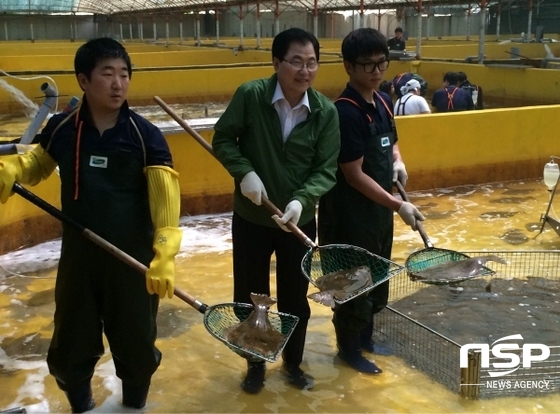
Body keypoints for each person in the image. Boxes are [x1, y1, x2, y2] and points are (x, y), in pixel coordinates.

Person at [0, 37, 182, 412]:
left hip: (132, 263)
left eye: (124, 74)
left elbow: (165, 201)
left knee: (136, 344)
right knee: (71, 345)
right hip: (79, 260)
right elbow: (38, 164)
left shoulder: (144, 136)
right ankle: (81, 406)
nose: (118, 83)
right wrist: (13, 167)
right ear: (84, 80)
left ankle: (134, 406)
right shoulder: (63, 127)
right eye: (107, 74)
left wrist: (165, 252)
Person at [211, 28, 340, 394]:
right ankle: (255, 363)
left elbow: (325, 169)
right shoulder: (251, 95)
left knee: (295, 297)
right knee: (250, 296)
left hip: (298, 223)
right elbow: (223, 139)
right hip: (253, 218)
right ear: (276, 63)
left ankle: (293, 364)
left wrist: (303, 199)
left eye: (312, 62)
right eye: (296, 61)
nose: (305, 70)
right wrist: (244, 172)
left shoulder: (325, 112)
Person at [317, 28, 424, 375]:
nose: (377, 72)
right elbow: (353, 174)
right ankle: (348, 350)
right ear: (349, 67)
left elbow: (391, 139)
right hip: (349, 216)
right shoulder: (344, 112)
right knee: (352, 283)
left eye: (382, 63)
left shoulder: (382, 100)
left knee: (377, 277)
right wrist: (398, 205)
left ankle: (366, 339)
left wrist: (397, 161)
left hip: (377, 214)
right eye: (368, 65)